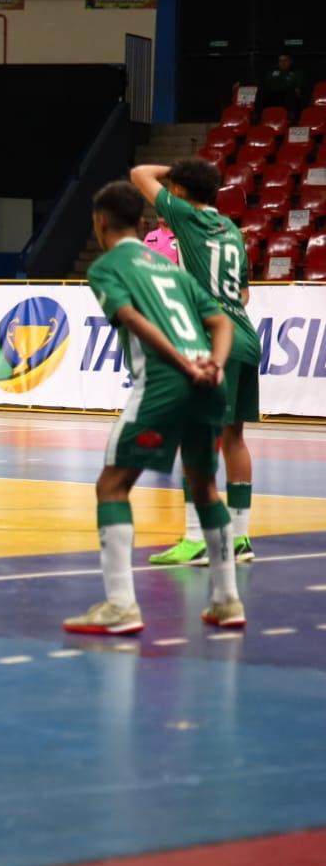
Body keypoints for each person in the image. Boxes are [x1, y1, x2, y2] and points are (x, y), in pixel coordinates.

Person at [64, 181, 243, 635]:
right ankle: (226, 601)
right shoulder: (174, 271)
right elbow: (222, 319)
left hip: (165, 383)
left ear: (99, 223)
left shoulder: (107, 268)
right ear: (142, 224)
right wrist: (213, 364)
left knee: (112, 486)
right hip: (208, 382)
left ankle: (121, 605)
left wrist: (181, 362)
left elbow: (132, 319)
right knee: (204, 488)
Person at [131, 159, 262, 566]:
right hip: (242, 337)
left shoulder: (185, 217)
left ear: (182, 193)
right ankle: (239, 540)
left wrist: (179, 170)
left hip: (209, 342)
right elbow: (243, 295)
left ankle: (197, 538)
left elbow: (139, 174)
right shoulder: (231, 231)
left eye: (175, 187)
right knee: (234, 438)